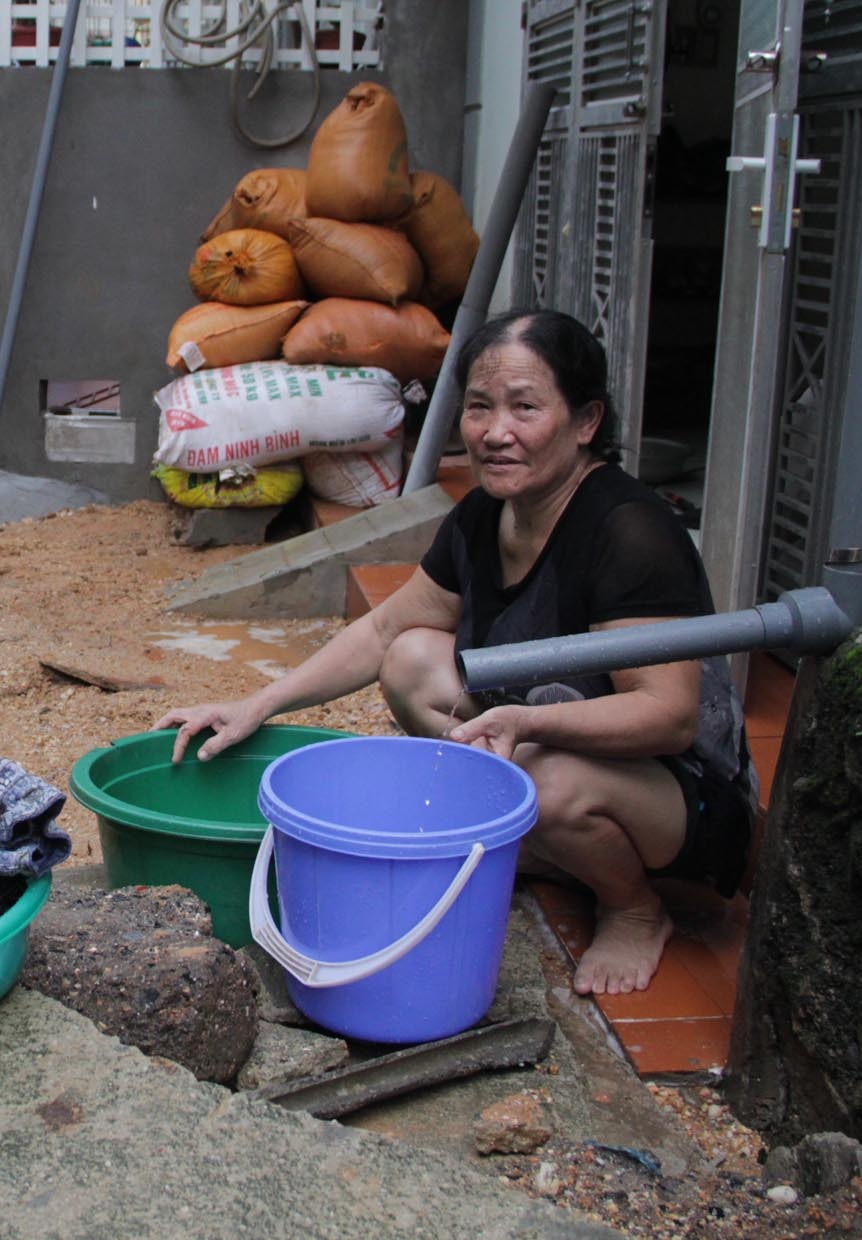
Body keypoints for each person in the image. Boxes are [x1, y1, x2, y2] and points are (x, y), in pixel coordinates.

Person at [157, 309, 756, 996]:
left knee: (544, 781)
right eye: (479, 406)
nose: (496, 432)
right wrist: (255, 705)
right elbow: (384, 633)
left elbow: (669, 716)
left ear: (586, 421)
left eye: (525, 407)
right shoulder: (483, 515)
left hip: (678, 795)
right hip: (547, 741)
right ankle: (543, 846)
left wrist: (526, 723)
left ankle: (633, 907)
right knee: (412, 659)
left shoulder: (628, 531)